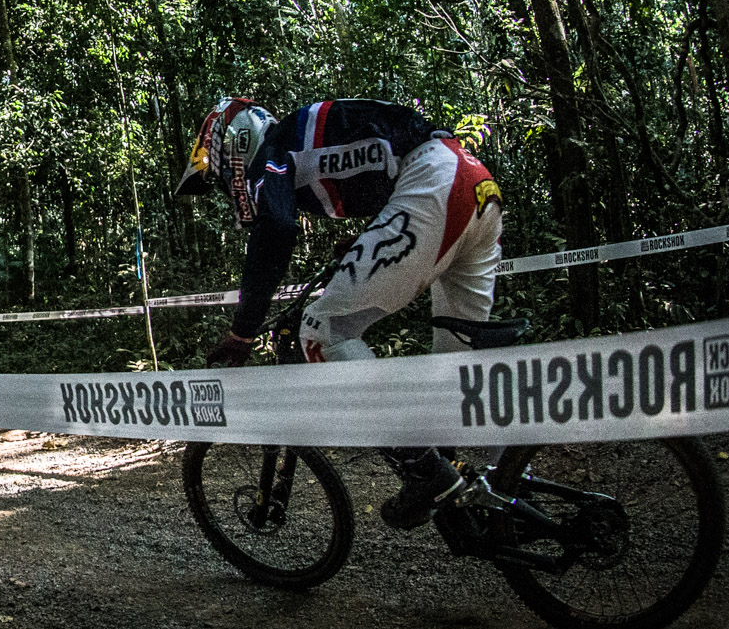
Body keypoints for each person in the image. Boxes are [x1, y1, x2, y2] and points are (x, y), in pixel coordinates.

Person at [176, 96, 504, 529]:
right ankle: (506, 488)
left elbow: (274, 233)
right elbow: (389, 158)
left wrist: (242, 332)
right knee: (456, 364)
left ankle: (425, 470)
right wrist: (369, 238)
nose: (225, 184)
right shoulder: (299, 137)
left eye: (221, 174)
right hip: (473, 181)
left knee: (322, 328)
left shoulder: (272, 149)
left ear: (231, 141)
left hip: (436, 183)